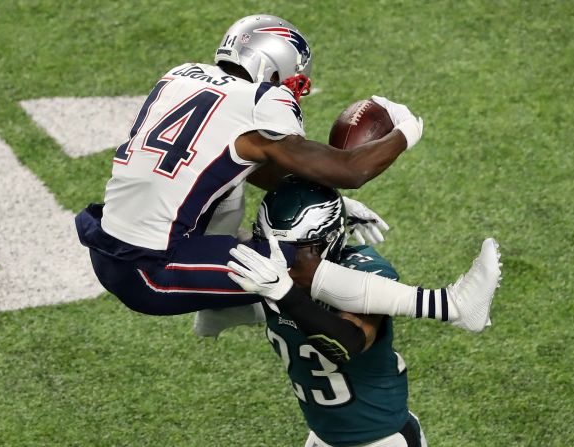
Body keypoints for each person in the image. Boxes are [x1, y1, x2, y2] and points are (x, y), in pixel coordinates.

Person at [75, 14, 499, 331]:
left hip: (110, 245)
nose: (294, 88)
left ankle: (221, 306)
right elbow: (351, 169)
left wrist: (339, 205)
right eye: (293, 78)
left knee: (230, 194)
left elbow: (222, 163)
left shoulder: (180, 78)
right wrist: (406, 131)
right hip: (149, 271)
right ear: (273, 65)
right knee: (298, 262)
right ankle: (453, 306)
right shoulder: (260, 103)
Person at [230, 176, 431, 446]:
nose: (279, 259)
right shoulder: (266, 263)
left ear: (329, 242)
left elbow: (349, 343)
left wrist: (286, 294)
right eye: (269, 245)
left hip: (382, 440)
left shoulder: (362, 271)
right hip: (322, 438)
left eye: (294, 250)